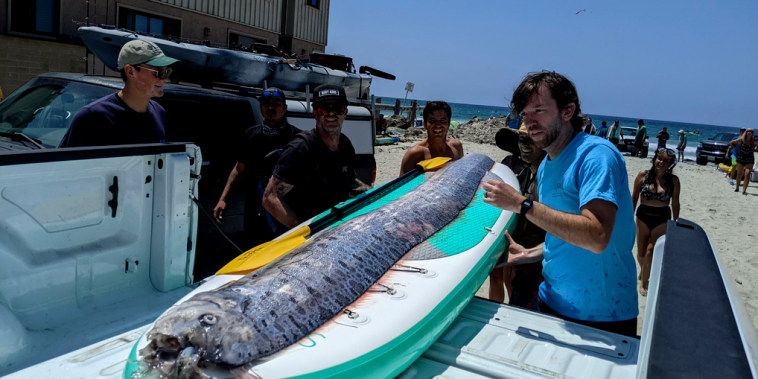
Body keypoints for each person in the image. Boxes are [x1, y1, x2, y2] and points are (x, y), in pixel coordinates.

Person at [482, 71, 638, 337]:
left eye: (539, 111)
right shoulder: (546, 166)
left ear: (568, 111)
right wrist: (529, 253)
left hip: (602, 314)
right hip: (551, 301)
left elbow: (597, 236)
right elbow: (565, 232)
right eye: (525, 114)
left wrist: (523, 204)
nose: (529, 122)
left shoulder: (596, 156)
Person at [262, 84, 368, 227]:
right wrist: (304, 231)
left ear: (345, 113)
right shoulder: (300, 148)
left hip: (333, 226)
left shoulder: (345, 145)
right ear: (315, 113)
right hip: (306, 233)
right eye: (325, 108)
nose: (331, 114)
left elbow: (350, 182)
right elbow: (270, 198)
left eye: (338, 108)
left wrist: (377, 195)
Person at [213, 88, 300, 245]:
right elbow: (239, 170)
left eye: (276, 104)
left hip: (287, 208)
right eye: (266, 104)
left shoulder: (297, 138)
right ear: (261, 108)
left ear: (284, 109)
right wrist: (223, 199)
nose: (270, 108)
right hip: (256, 211)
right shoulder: (251, 135)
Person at [59, 40, 179, 147]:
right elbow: (63, 167)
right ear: (130, 72)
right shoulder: (93, 117)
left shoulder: (158, 112)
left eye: (166, 71)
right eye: (158, 72)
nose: (165, 79)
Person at [489, 124, 547, 307]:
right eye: (522, 138)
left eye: (531, 138)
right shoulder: (509, 164)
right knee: (499, 277)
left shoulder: (547, 174)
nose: (525, 144)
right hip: (509, 234)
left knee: (516, 284)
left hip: (534, 248)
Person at [631, 148, 680, 296]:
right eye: (659, 158)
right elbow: (634, 198)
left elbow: (676, 203)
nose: (662, 162)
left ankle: (643, 283)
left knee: (650, 251)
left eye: (666, 160)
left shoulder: (673, 181)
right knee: (640, 252)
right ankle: (644, 271)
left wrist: (676, 222)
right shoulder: (642, 176)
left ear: (670, 164)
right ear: (654, 159)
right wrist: (629, 216)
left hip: (662, 218)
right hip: (643, 216)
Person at [398, 101, 464, 175]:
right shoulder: (415, 154)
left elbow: (461, 175)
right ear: (425, 124)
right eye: (432, 121)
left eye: (443, 121)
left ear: (448, 124)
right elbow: (401, 184)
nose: (438, 125)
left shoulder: (456, 146)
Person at [728, 128, 758, 195]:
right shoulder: (741, 140)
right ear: (746, 132)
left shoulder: (754, 140)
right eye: (748, 131)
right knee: (739, 174)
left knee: (747, 174)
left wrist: (756, 148)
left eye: (751, 131)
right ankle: (737, 188)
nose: (750, 132)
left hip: (750, 159)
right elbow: (731, 143)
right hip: (741, 158)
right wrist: (736, 148)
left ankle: (744, 190)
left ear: (752, 133)